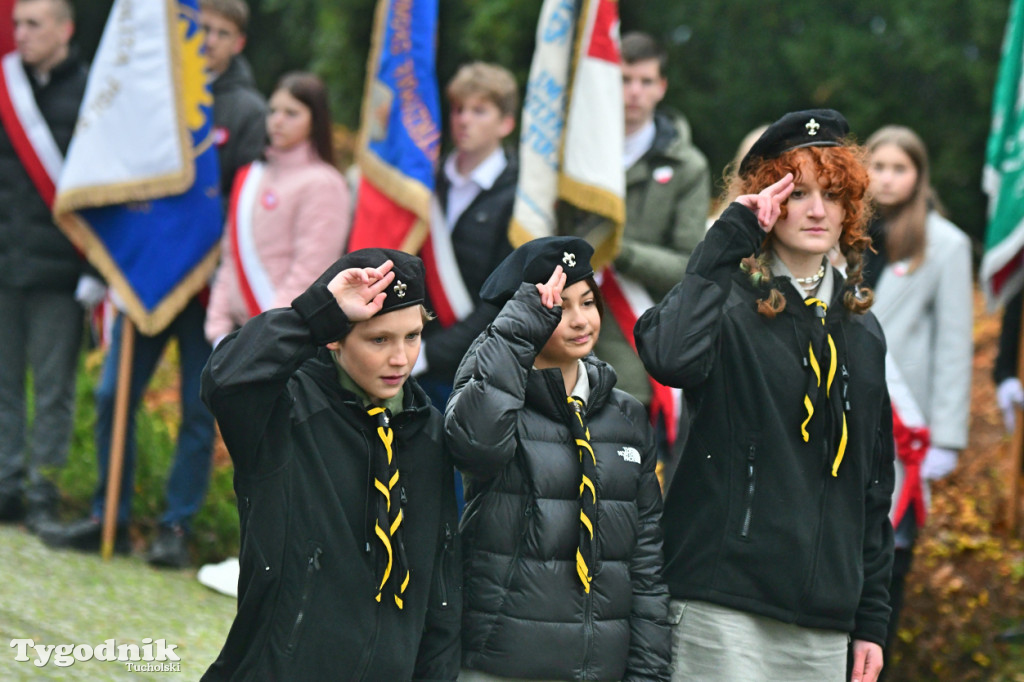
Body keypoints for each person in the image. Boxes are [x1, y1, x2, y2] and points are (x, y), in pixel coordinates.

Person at [635, 109, 895, 682]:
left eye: (832, 193)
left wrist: (871, 618)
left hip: (825, 621)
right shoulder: (725, 299)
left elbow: (874, 486)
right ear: (766, 200)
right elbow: (669, 356)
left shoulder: (862, 330)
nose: (817, 209)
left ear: (851, 206)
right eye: (796, 192)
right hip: (721, 605)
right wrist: (727, 238)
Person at [39, 0, 267, 566]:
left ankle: (176, 529)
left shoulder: (246, 110)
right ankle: (105, 512)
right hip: (147, 275)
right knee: (113, 392)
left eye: (220, 32)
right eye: (202, 28)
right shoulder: (159, 91)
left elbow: (242, 206)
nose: (208, 39)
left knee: (196, 409)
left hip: (208, 288)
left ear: (238, 41)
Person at [200, 249, 460, 681]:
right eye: (379, 340)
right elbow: (225, 380)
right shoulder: (285, 407)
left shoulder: (428, 429)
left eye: (411, 336)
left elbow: (440, 583)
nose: (400, 358)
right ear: (336, 337)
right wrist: (314, 314)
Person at [446, 236, 671, 680]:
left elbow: (644, 562)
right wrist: (515, 331)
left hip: (600, 667)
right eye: (558, 307)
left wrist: (649, 672)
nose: (579, 320)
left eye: (587, 302)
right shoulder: (494, 395)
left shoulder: (625, 413)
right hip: (500, 663)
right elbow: (476, 445)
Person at [565, 31, 711, 473]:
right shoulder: (574, 156)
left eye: (646, 81)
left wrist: (619, 253)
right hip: (566, 351)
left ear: (662, 87)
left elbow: (689, 266)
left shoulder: (688, 166)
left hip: (636, 358)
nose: (635, 92)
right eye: (625, 79)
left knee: (627, 500)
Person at [863, 125, 973, 662]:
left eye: (898, 167)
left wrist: (947, 438)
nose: (886, 178)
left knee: (890, 562)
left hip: (905, 428)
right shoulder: (843, 233)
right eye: (877, 166)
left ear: (918, 174)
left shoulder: (945, 243)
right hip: (844, 422)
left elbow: (955, 345)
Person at [0, 0, 90, 532]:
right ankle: (7, 483)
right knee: (4, 383)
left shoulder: (91, 95)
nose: (21, 34)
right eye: (16, 24)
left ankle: (44, 492)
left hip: (59, 271)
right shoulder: (8, 88)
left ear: (65, 29)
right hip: (6, 261)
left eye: (33, 24)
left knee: (53, 388)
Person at [204, 71, 350, 347]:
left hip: (286, 340)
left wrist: (266, 333)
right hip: (236, 335)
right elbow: (231, 258)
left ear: (315, 121)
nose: (277, 121)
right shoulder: (251, 175)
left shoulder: (325, 183)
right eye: (273, 111)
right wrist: (218, 331)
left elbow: (310, 271)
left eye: (291, 113)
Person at [413, 61, 519, 410]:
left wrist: (429, 353)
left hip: (475, 370)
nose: (463, 119)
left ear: (506, 123)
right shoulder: (422, 179)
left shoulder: (519, 195)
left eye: (479, 110)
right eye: (458, 109)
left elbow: (504, 298)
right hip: (408, 356)